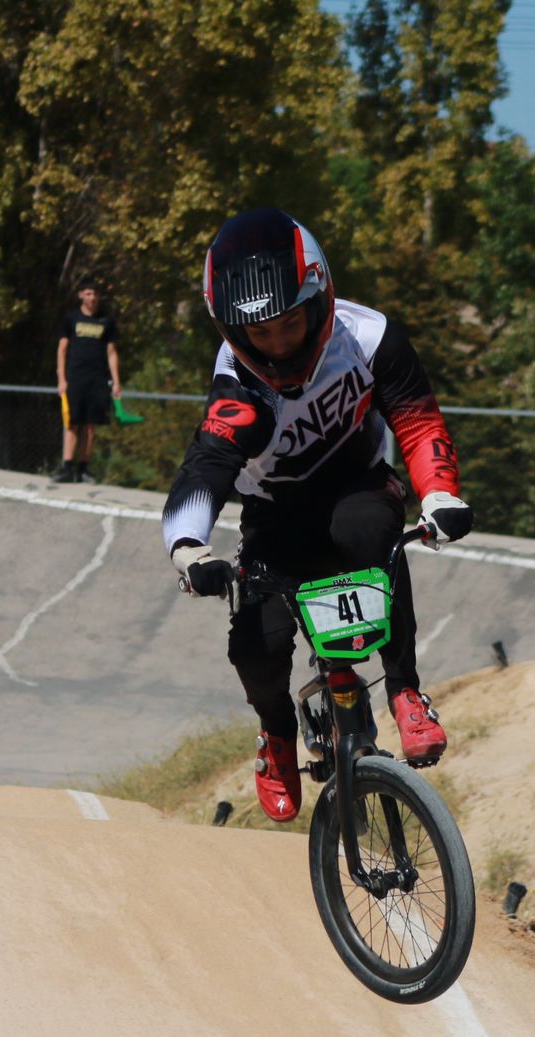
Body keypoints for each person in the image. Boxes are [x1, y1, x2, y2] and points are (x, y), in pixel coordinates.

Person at [162, 208, 473, 822]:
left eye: (290, 324)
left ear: (319, 297)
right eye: (260, 335)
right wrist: (190, 549)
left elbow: (416, 419)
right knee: (257, 645)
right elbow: (202, 472)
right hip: (275, 515)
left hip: (356, 483)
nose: (278, 344)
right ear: (231, 329)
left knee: (370, 532)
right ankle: (276, 733)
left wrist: (438, 494)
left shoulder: (368, 336)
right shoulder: (239, 393)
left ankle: (406, 689)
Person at [55, 280, 123, 484]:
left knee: (90, 425)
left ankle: (83, 469)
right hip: (75, 378)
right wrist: (62, 379)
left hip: (98, 380)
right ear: (81, 296)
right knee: (71, 423)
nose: (92, 298)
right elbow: (62, 350)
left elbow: (111, 353)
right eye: (88, 293)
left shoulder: (106, 321)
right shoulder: (71, 319)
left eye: (95, 294)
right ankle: (67, 467)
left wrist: (116, 382)